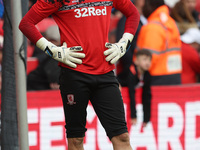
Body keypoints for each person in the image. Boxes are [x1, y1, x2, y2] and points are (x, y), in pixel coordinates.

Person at [19, 0, 140, 149]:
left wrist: (124, 44)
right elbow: (26, 23)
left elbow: (133, 13)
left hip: (105, 73)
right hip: (74, 74)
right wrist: (52, 50)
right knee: (76, 140)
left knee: (122, 136)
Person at [136, 0, 182, 86]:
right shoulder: (170, 22)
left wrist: (136, 72)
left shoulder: (153, 27)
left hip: (156, 78)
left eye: (144, 3)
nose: (142, 6)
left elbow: (147, 58)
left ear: (151, 5)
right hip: (174, 77)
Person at [116, 0, 147, 87]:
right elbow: (122, 42)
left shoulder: (145, 19)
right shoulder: (126, 18)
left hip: (141, 67)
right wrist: (131, 65)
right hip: (131, 68)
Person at [27, 25, 61, 91]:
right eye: (50, 40)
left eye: (54, 41)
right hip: (36, 88)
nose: (52, 44)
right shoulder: (42, 50)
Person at [128, 49, 152, 127]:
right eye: (144, 59)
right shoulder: (131, 72)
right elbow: (131, 95)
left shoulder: (147, 75)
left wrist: (146, 119)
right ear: (136, 61)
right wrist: (133, 116)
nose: (147, 63)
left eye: (149, 60)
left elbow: (147, 97)